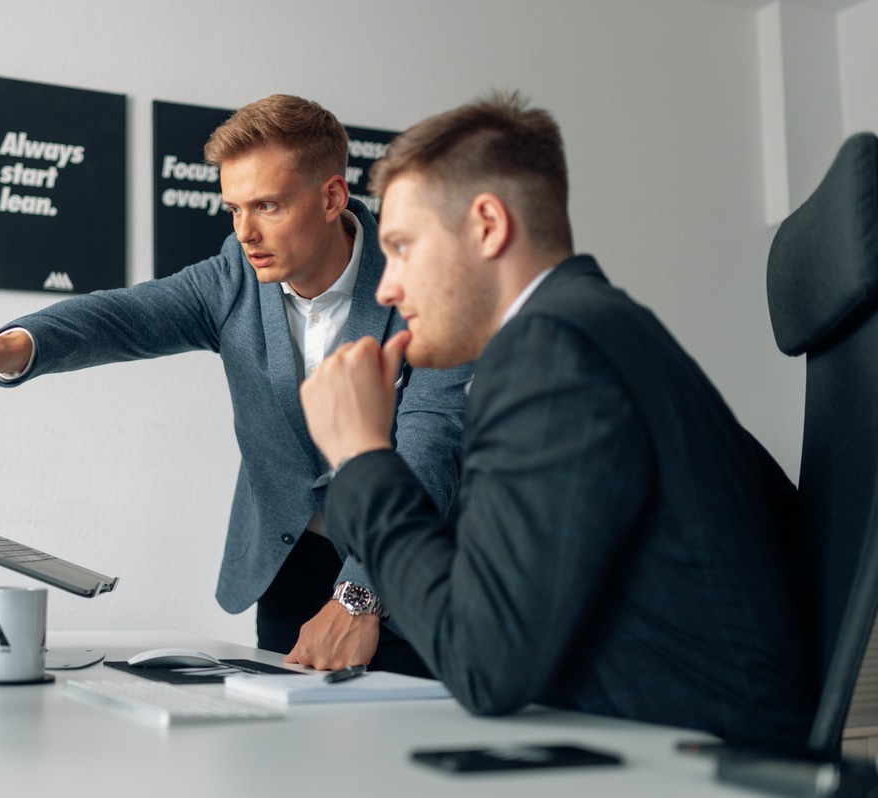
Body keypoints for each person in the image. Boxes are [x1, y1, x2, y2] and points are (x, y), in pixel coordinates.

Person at [0, 94, 472, 676]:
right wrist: (12, 347)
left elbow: (429, 450)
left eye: (267, 206)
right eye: (233, 209)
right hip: (288, 561)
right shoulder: (236, 274)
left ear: (331, 197)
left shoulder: (421, 289)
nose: (245, 232)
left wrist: (359, 597)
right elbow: (124, 316)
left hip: (408, 566)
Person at [299, 90, 814, 750]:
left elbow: (484, 664)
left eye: (401, 247)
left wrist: (364, 456)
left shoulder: (552, 353)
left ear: (487, 225)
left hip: (692, 768)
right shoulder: (589, 330)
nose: (386, 288)